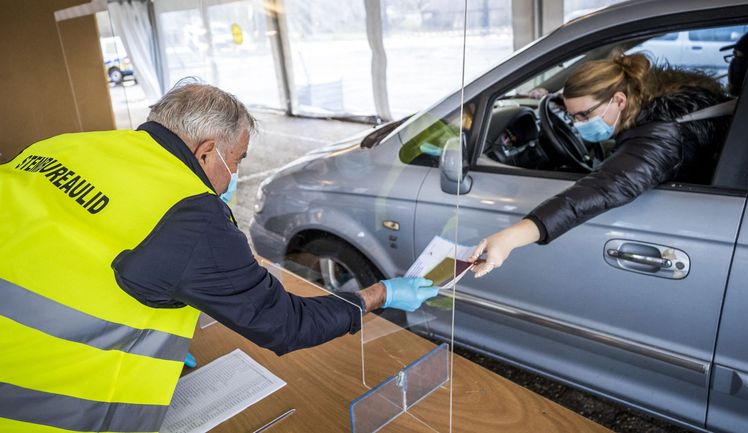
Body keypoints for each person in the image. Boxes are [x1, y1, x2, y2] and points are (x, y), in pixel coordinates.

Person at [0, 82, 438, 432]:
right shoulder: (192, 213)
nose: (236, 174)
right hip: (48, 405)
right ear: (207, 152)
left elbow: (63, 244)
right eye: (238, 159)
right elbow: (285, 324)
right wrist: (381, 294)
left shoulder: (63, 147)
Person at [470, 52, 730, 277]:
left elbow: (604, 187)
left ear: (618, 100)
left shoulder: (663, 136)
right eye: (573, 118)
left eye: (585, 115)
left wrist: (511, 238)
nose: (580, 125)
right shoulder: (655, 111)